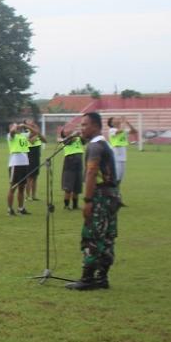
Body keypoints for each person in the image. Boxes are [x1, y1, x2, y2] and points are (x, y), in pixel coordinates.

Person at [65, 111, 120, 291]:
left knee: (92, 236)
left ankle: (88, 278)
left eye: (85, 125)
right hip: (112, 195)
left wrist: (88, 200)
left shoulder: (94, 147)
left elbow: (91, 172)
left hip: (100, 196)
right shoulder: (104, 145)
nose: (82, 128)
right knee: (108, 237)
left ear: (96, 126)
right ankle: (102, 277)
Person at [6, 122, 31, 216]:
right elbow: (12, 131)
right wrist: (16, 126)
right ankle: (10, 209)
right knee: (13, 187)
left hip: (24, 163)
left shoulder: (23, 136)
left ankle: (21, 208)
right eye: (13, 126)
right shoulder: (10, 136)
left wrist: (25, 126)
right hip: (15, 164)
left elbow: (36, 132)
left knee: (22, 187)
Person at [59, 125, 84, 210]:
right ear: (63, 133)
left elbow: (84, 141)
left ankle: (75, 204)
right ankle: (66, 205)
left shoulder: (77, 137)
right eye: (66, 129)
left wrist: (80, 134)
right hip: (70, 161)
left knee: (77, 184)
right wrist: (74, 134)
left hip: (79, 161)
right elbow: (69, 141)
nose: (69, 129)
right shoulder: (65, 139)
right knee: (69, 185)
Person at [107, 117, 135, 187]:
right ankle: (112, 192)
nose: (117, 119)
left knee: (120, 178)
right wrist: (123, 122)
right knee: (116, 177)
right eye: (114, 119)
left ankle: (116, 192)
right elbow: (120, 131)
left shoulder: (122, 129)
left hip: (123, 156)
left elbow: (134, 131)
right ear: (111, 123)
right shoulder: (112, 130)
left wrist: (128, 123)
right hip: (116, 156)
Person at [25, 119, 47, 201]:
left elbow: (45, 140)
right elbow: (31, 142)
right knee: (29, 177)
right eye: (29, 122)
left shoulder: (37, 134)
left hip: (37, 157)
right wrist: (37, 133)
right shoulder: (27, 134)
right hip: (30, 156)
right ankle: (27, 196)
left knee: (35, 177)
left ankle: (34, 196)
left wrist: (38, 134)